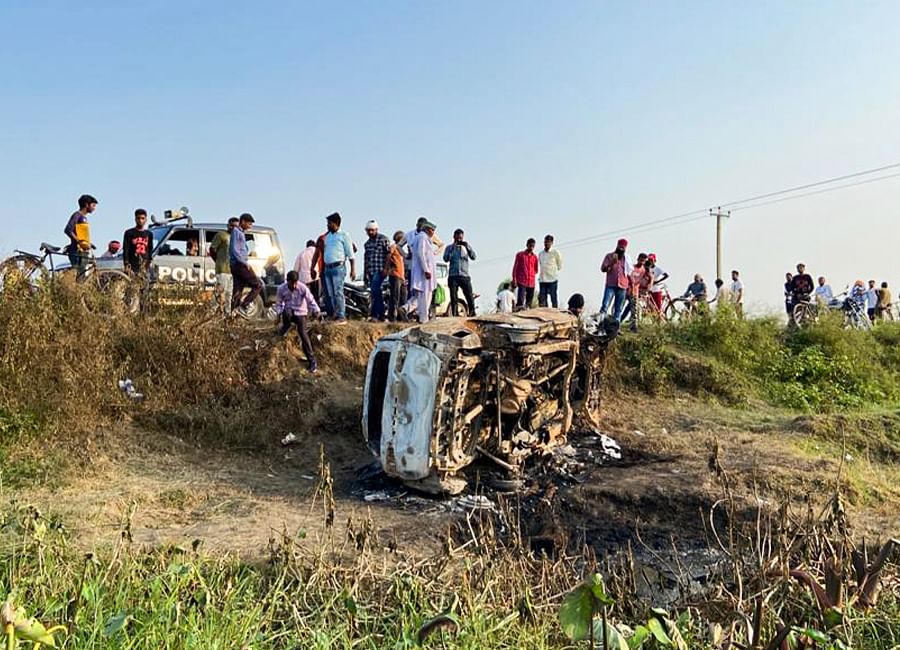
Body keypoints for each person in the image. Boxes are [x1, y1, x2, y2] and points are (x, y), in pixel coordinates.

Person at [311, 212, 356, 324]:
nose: (327, 225)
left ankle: (341, 316)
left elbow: (351, 253)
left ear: (336, 224)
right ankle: (333, 315)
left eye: (329, 223)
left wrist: (353, 269)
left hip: (338, 267)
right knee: (329, 294)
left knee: (337, 292)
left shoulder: (344, 235)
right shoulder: (328, 237)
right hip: (327, 268)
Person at [274, 270, 320, 373]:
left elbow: (311, 300)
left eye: (295, 283)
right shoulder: (281, 289)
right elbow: (278, 303)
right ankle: (285, 327)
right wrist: (278, 314)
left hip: (301, 313)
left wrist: (316, 310)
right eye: (292, 283)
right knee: (286, 313)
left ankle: (312, 361)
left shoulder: (302, 288)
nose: (294, 285)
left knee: (303, 334)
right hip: (289, 312)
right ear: (288, 281)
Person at [229, 213, 263, 316]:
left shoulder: (241, 233)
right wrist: (244, 262)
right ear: (242, 222)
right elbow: (235, 250)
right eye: (249, 223)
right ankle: (244, 305)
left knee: (238, 290)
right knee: (258, 285)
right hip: (239, 264)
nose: (250, 226)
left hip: (237, 264)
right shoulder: (236, 232)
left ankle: (233, 315)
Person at [443, 229, 477, 317]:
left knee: (469, 295)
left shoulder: (466, 248)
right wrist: (453, 248)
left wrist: (467, 247)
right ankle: (454, 313)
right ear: (454, 237)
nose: (459, 240)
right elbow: (446, 259)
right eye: (457, 238)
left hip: (464, 275)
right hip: (453, 275)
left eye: (461, 238)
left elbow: (473, 257)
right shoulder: (449, 247)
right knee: (453, 296)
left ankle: (472, 312)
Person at [409, 221, 437, 323]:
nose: (433, 232)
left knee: (425, 296)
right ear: (426, 229)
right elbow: (421, 254)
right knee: (424, 297)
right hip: (423, 273)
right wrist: (426, 270)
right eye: (431, 230)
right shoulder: (422, 237)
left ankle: (423, 318)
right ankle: (423, 319)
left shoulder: (424, 238)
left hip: (424, 273)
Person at [363, 220, 391, 321]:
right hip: (371, 270)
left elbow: (388, 254)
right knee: (375, 293)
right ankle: (380, 315)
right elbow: (366, 258)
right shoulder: (367, 244)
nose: (370, 232)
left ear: (376, 230)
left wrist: (386, 268)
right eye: (368, 231)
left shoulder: (383, 239)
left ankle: (376, 315)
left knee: (375, 290)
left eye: (372, 230)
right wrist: (365, 272)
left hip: (380, 270)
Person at [209, 217, 238, 313]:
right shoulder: (221, 235)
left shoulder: (237, 237)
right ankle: (211, 313)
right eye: (232, 225)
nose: (233, 228)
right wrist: (218, 261)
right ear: (228, 225)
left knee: (229, 295)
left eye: (236, 226)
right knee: (220, 292)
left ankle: (227, 315)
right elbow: (212, 249)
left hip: (232, 270)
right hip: (222, 269)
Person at [64, 194, 98, 271]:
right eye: (93, 205)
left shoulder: (84, 218)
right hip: (77, 250)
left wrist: (88, 243)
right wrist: (79, 242)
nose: (94, 208)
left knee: (81, 276)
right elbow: (68, 230)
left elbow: (80, 234)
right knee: (79, 276)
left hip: (83, 250)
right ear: (86, 204)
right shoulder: (77, 215)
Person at [600, 238, 630, 322]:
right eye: (620, 247)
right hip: (611, 285)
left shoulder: (627, 259)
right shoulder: (609, 256)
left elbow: (629, 273)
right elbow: (603, 269)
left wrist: (630, 287)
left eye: (623, 248)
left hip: (623, 286)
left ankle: (615, 328)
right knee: (605, 306)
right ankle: (600, 325)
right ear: (617, 246)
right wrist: (612, 263)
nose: (621, 249)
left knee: (618, 309)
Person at [122, 209, 154, 276]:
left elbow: (150, 249)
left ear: (146, 220)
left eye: (142, 218)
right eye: (138, 218)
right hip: (132, 264)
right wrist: (126, 263)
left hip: (144, 265)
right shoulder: (129, 233)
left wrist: (149, 262)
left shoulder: (149, 234)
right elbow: (126, 249)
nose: (140, 220)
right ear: (135, 219)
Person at [511, 239, 539, 309]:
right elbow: (515, 268)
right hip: (522, 281)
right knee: (520, 300)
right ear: (527, 245)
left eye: (533, 246)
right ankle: (518, 311)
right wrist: (514, 279)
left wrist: (531, 274)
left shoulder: (535, 257)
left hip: (531, 282)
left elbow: (536, 270)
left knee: (529, 303)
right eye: (530, 246)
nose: (531, 247)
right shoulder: (520, 255)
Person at [384, 231, 406, 321]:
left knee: (403, 297)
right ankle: (392, 317)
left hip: (401, 276)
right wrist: (387, 268)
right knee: (394, 297)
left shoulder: (401, 250)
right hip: (395, 274)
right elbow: (388, 256)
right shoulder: (394, 247)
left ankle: (401, 317)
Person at [538, 235, 562, 308]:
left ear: (551, 243)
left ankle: (555, 313)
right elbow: (541, 264)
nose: (546, 244)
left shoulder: (555, 252)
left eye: (548, 242)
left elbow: (559, 265)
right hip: (542, 279)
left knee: (553, 298)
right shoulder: (540, 253)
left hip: (552, 279)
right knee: (543, 299)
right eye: (545, 242)